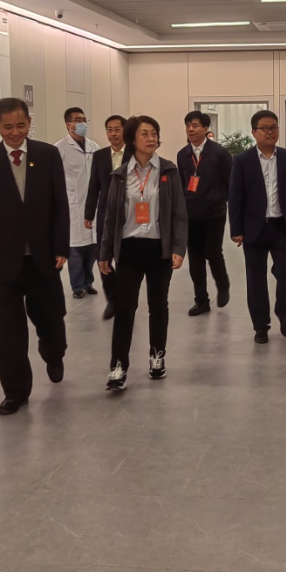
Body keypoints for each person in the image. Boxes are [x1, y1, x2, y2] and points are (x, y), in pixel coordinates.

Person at [0, 97, 69, 415]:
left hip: (43, 258)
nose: (15, 133)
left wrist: (61, 247)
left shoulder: (47, 155)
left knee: (50, 319)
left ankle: (53, 353)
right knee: (9, 331)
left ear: (29, 123)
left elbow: (60, 204)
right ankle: (15, 392)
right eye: (8, 127)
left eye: (21, 125)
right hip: (4, 260)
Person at [100, 115, 187, 390]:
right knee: (125, 308)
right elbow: (111, 217)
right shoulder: (120, 175)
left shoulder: (168, 170)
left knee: (158, 305)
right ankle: (118, 365)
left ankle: (157, 357)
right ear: (132, 139)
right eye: (145, 133)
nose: (151, 138)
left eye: (154, 133)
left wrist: (178, 248)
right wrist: (104, 252)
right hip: (129, 248)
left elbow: (179, 213)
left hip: (159, 248)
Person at [228, 109, 286, 344]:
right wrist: (236, 230)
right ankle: (261, 326)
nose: (270, 132)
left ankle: (283, 310)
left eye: (274, 128)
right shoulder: (242, 160)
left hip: (281, 227)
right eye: (265, 128)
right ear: (254, 132)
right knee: (255, 279)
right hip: (254, 228)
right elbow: (235, 196)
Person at [177, 110, 233, 316]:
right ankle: (201, 300)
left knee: (213, 252)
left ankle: (223, 284)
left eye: (195, 125)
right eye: (188, 125)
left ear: (206, 128)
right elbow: (182, 183)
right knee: (195, 257)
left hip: (214, 213)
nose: (190, 129)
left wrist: (221, 201)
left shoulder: (219, 153)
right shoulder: (183, 155)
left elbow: (230, 183)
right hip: (191, 214)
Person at [84, 114, 130, 320]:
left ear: (125, 131)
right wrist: (89, 213)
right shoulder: (100, 155)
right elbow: (94, 186)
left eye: (117, 129)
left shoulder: (135, 153)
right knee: (102, 257)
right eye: (109, 130)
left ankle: (125, 299)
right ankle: (112, 298)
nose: (113, 134)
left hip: (129, 214)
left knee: (125, 258)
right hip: (105, 213)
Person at [57, 107, 100, 299]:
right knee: (75, 249)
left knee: (92, 247)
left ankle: (88, 281)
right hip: (72, 206)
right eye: (77, 120)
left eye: (84, 119)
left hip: (93, 206)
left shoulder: (94, 147)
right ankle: (77, 285)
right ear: (68, 124)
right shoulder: (59, 149)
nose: (82, 123)